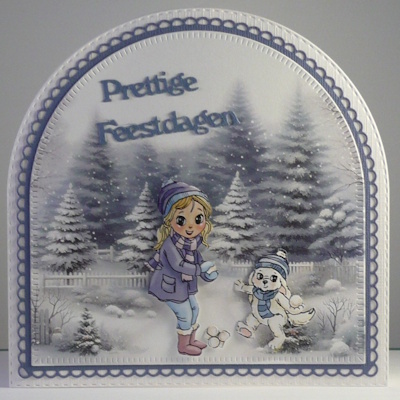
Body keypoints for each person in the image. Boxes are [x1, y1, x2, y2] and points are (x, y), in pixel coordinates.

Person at [147, 180, 218, 356]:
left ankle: (191, 339)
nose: (190, 226)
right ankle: (183, 346)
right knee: (185, 314)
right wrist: (199, 270)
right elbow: (179, 265)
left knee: (195, 309)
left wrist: (206, 273)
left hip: (184, 286)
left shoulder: (191, 243)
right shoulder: (169, 244)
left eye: (198, 219)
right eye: (181, 220)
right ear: (169, 220)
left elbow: (197, 260)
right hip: (170, 287)